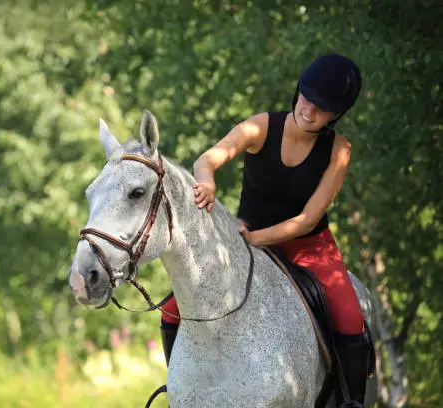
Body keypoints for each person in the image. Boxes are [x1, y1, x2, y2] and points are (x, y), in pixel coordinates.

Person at [159, 53, 370, 406]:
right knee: (170, 309)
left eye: (322, 108)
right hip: (244, 242)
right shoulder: (261, 127)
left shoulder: (339, 151)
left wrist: (257, 239)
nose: (309, 110)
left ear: (336, 115)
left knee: (350, 316)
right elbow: (206, 159)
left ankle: (353, 402)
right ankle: (184, 389)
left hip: (309, 246)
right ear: (298, 92)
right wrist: (206, 181)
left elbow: (307, 218)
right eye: (307, 98)